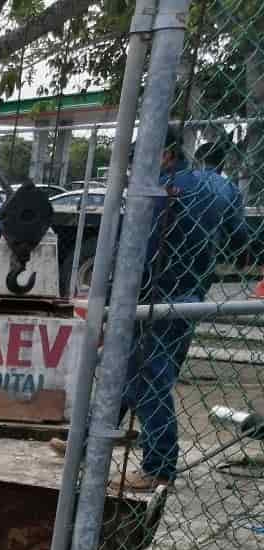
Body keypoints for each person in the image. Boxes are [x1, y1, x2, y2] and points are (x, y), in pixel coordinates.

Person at [117, 131, 231, 491]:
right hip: (192, 291)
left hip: (155, 294)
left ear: (163, 155)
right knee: (129, 371)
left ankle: (159, 464)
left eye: (139, 159)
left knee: (149, 379)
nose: (135, 168)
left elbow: (140, 251)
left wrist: (115, 298)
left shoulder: (160, 192)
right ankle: (90, 439)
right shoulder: (215, 188)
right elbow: (239, 235)